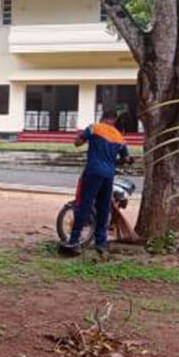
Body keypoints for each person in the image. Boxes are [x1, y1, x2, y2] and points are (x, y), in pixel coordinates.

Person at [61, 109, 133, 256]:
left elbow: (77, 143)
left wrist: (89, 141)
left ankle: (74, 241)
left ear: (103, 118)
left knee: (84, 205)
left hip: (93, 172)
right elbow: (125, 159)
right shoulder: (119, 137)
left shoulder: (94, 128)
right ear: (114, 120)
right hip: (108, 175)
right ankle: (101, 243)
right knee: (103, 209)